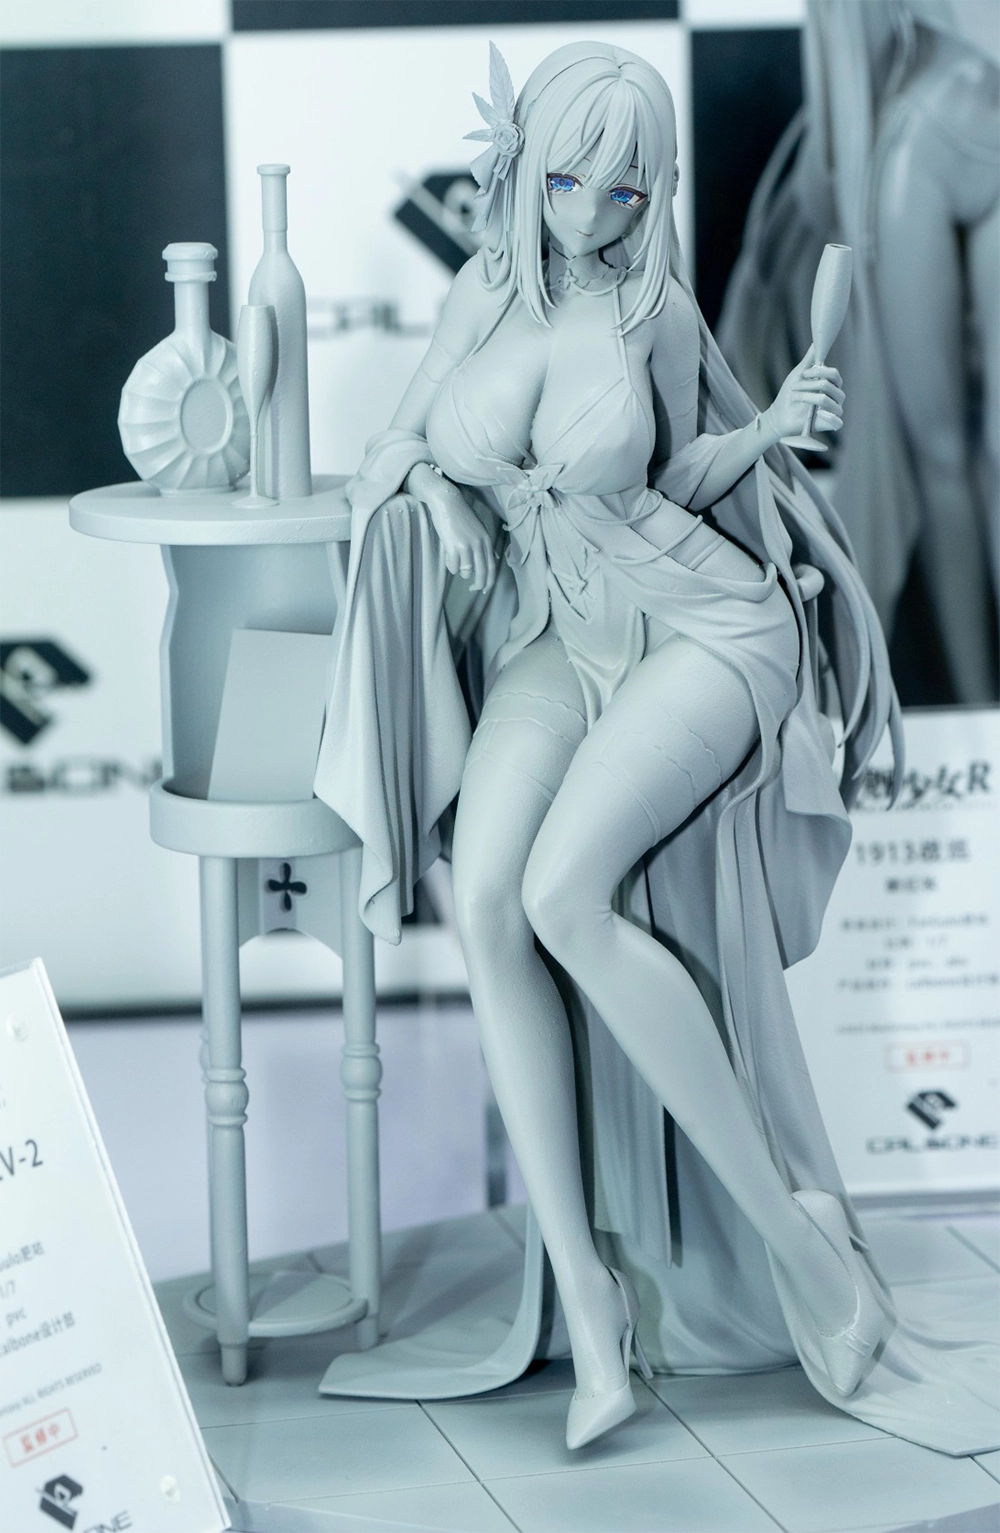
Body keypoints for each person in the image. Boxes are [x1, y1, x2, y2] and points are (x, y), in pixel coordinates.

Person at [317, 41, 1000, 1455]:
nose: (590, 214)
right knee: (487, 899)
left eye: (624, 192)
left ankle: (804, 1252)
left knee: (563, 894)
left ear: (653, 191)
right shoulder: (481, 292)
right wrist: (433, 489)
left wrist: (766, 433)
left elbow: (675, 473)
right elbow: (391, 447)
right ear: (524, 164)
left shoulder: (653, 307)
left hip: (701, 622)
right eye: (567, 180)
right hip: (551, 640)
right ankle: (591, 1310)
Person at [720, 0, 1000, 704]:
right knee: (941, 454)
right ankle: (979, 705)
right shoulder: (903, 129)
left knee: (965, 453)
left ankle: (979, 702)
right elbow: (845, 44)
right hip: (922, 127)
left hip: (938, 110)